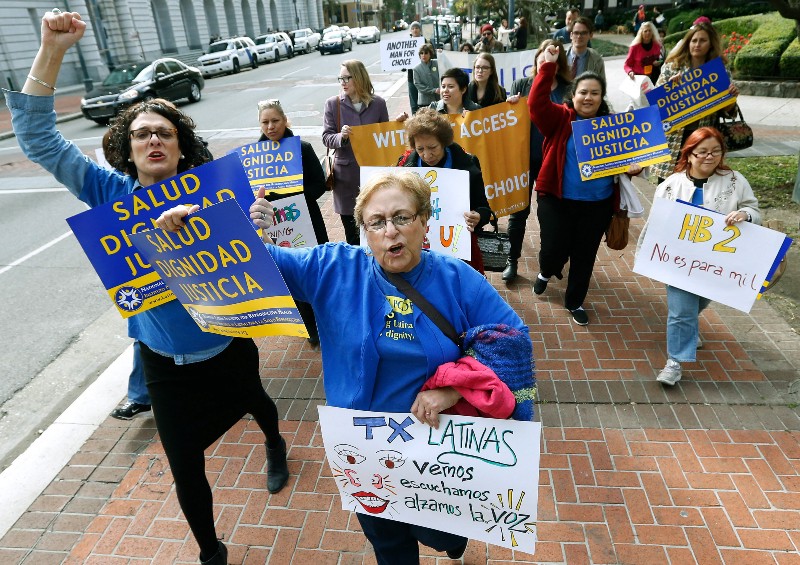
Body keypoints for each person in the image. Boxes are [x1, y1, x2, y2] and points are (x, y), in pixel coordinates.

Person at [9, 10, 288, 565]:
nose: (153, 139)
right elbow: (38, 139)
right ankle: (212, 552)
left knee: (258, 402)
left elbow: (270, 263)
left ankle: (275, 441)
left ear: (180, 147)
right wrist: (52, 50)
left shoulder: (219, 193)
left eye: (163, 132)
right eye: (141, 134)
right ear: (128, 149)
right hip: (162, 360)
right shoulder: (109, 195)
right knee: (185, 463)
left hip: (227, 341)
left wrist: (256, 226)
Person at [189, 170, 526, 564]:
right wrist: (205, 230)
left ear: (423, 221)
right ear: (363, 230)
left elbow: (512, 340)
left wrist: (454, 389)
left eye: (402, 218)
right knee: (388, 543)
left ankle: (452, 540)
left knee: (439, 532)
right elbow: (257, 264)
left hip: (436, 446)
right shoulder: (333, 268)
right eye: (377, 222)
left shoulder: (457, 279)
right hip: (363, 448)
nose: (391, 232)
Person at [527, 43, 642, 326]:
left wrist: (634, 168)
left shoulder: (612, 127)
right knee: (554, 248)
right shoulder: (559, 118)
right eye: (583, 92)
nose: (588, 97)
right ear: (573, 96)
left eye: (594, 93)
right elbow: (535, 104)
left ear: (602, 97)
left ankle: (575, 300)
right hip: (556, 199)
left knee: (584, 255)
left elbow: (631, 160)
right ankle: (547, 270)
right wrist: (548, 67)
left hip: (597, 205)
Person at [646, 127, 760, 386]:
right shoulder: (671, 184)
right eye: (702, 152)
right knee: (680, 310)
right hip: (679, 259)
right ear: (690, 154)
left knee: (701, 300)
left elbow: (753, 208)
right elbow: (657, 221)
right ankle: (674, 362)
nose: (709, 157)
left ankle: (688, 327)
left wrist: (746, 215)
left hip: (716, 260)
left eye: (716, 152)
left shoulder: (735, 180)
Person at [257, 99, 329, 346]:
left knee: (317, 269)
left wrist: (295, 200)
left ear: (285, 121)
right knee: (288, 272)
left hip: (307, 220)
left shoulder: (303, 149)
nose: (270, 127)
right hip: (275, 226)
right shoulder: (254, 158)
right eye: (265, 122)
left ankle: (326, 319)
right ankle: (310, 327)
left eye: (275, 120)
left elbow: (319, 184)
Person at [503, 40, 571, 282]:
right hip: (524, 161)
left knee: (550, 216)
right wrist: (510, 105)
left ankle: (550, 262)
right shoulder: (523, 84)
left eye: (551, 57)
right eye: (542, 57)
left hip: (553, 163)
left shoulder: (567, 89)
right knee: (518, 214)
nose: (545, 61)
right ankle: (512, 261)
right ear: (536, 61)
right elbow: (508, 120)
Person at [399, 108, 492, 273]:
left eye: (432, 147)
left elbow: (484, 207)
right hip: (418, 252)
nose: (427, 155)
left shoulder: (467, 165)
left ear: (443, 142)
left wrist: (478, 217)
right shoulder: (404, 166)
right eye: (420, 149)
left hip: (458, 253)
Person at [651, 22, 739, 183]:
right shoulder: (672, 66)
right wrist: (669, 89)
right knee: (669, 186)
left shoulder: (719, 70)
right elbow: (656, 107)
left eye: (702, 40)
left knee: (698, 184)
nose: (697, 44)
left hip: (703, 138)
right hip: (673, 139)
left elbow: (728, 111)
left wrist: (731, 98)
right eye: (694, 40)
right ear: (688, 42)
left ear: (711, 43)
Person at [323, 59, 390, 245]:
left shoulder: (378, 104)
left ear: (359, 78)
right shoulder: (333, 104)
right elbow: (326, 138)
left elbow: (386, 137)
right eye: (340, 78)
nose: (343, 82)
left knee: (376, 226)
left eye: (347, 78)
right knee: (352, 234)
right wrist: (341, 137)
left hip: (373, 175)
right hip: (346, 179)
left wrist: (398, 124)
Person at [565, 17, 605, 82]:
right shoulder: (560, 55)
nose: (579, 36)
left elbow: (602, 87)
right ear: (571, 35)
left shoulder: (597, 60)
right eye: (576, 33)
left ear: (591, 35)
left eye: (583, 33)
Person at [413, 44, 440, 108]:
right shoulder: (416, 69)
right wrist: (433, 90)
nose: (423, 55)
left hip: (438, 99)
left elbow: (445, 61)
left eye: (426, 53)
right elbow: (418, 85)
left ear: (430, 54)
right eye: (421, 53)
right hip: (424, 101)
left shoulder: (436, 63)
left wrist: (441, 54)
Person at [406, 22, 424, 114]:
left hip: (423, 77)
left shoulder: (425, 42)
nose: (415, 30)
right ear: (410, 31)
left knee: (424, 103)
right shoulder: (406, 44)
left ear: (420, 30)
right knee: (414, 103)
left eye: (417, 28)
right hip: (411, 77)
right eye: (413, 28)